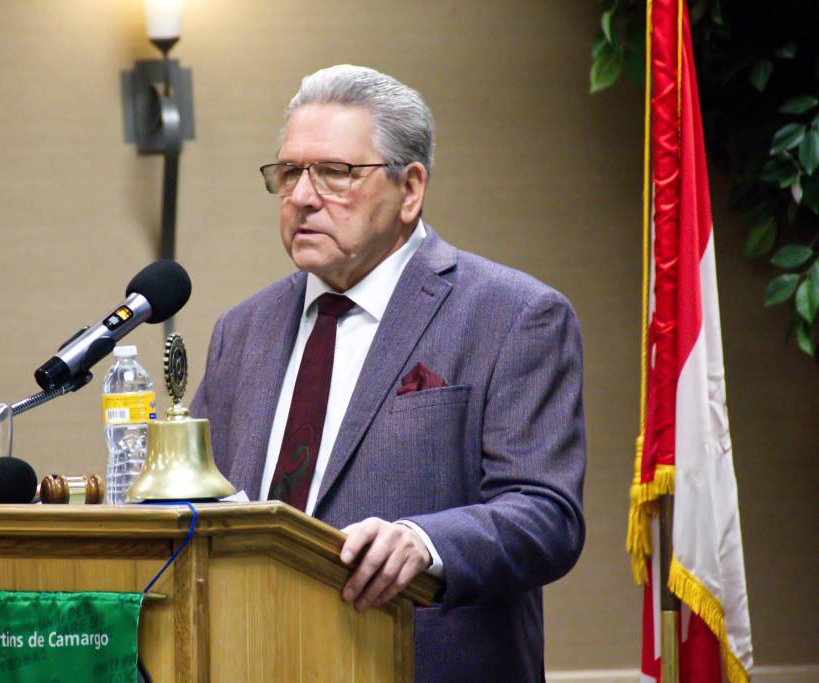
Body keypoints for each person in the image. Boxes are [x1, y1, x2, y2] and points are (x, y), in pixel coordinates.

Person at [190, 64, 586, 682]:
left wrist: (426, 543)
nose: (302, 197)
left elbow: (546, 515)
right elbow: (201, 497)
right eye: (290, 172)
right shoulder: (242, 330)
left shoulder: (513, 315)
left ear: (410, 190)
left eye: (335, 172)